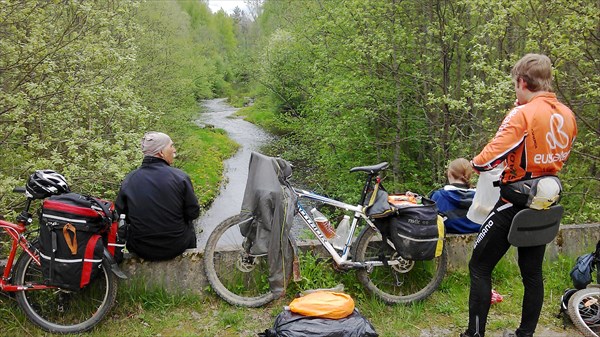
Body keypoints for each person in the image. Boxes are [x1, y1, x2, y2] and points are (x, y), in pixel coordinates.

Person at [461, 54, 577, 337]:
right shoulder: (567, 114)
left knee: (479, 266)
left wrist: (476, 163)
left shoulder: (522, 114)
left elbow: (486, 160)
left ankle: (474, 334)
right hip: (545, 200)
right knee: (532, 272)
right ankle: (524, 334)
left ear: (523, 82)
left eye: (516, 85)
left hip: (514, 200)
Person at [115, 131, 200, 261]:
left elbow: (121, 214)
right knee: (190, 225)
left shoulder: (130, 179)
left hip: (141, 248)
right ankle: (190, 260)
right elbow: (193, 213)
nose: (174, 150)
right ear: (161, 152)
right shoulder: (180, 177)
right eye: (171, 146)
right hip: (176, 246)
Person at [430, 158, 480, 234]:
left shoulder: (438, 196)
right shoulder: (480, 197)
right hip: (479, 240)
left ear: (449, 174)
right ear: (469, 175)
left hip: (445, 239)